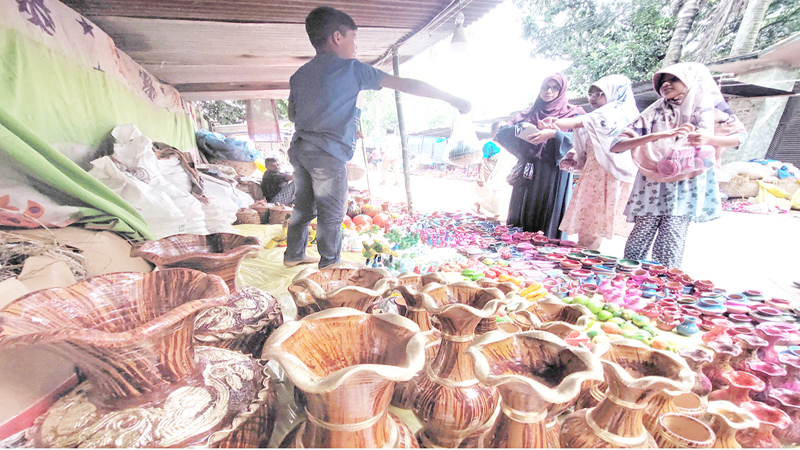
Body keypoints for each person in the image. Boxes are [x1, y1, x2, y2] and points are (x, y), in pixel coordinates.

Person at [284, 6, 471, 268]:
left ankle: (293, 255)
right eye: (353, 38)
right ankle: (330, 263)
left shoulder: (299, 75)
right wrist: (451, 98)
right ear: (337, 37)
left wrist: (338, 124)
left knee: (303, 207)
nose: (355, 46)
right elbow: (408, 84)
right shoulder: (352, 69)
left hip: (301, 150)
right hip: (327, 155)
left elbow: (295, 115)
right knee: (332, 211)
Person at [610, 62, 747, 269]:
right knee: (641, 232)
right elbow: (616, 145)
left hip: (687, 180)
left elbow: (739, 137)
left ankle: (662, 286)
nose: (666, 84)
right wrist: (656, 135)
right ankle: (627, 279)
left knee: (672, 233)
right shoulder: (655, 111)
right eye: (662, 80)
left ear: (691, 81)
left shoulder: (711, 109)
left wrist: (708, 138)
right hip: (653, 178)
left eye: (673, 78)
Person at [538, 75, 640, 250]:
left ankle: (584, 262)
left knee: (591, 226)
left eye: (599, 93)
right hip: (594, 176)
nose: (592, 98)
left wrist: (556, 122)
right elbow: (585, 142)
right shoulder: (602, 117)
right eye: (590, 93)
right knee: (590, 226)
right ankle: (584, 259)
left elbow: (580, 121)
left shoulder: (612, 114)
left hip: (608, 177)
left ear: (615, 93)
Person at [495, 73, 585, 238]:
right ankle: (517, 248)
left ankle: (545, 253)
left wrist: (553, 134)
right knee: (521, 212)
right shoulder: (529, 113)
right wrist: (521, 128)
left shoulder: (574, 114)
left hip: (554, 172)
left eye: (555, 87)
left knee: (548, 214)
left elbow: (583, 140)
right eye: (545, 87)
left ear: (562, 89)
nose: (549, 91)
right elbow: (501, 133)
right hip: (528, 168)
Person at [475, 122, 515, 218]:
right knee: (495, 193)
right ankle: (496, 215)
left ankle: (480, 204)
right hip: (491, 174)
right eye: (499, 128)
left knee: (502, 195)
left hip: (504, 175)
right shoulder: (489, 144)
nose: (502, 131)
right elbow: (482, 161)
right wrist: (481, 177)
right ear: (492, 132)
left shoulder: (509, 146)